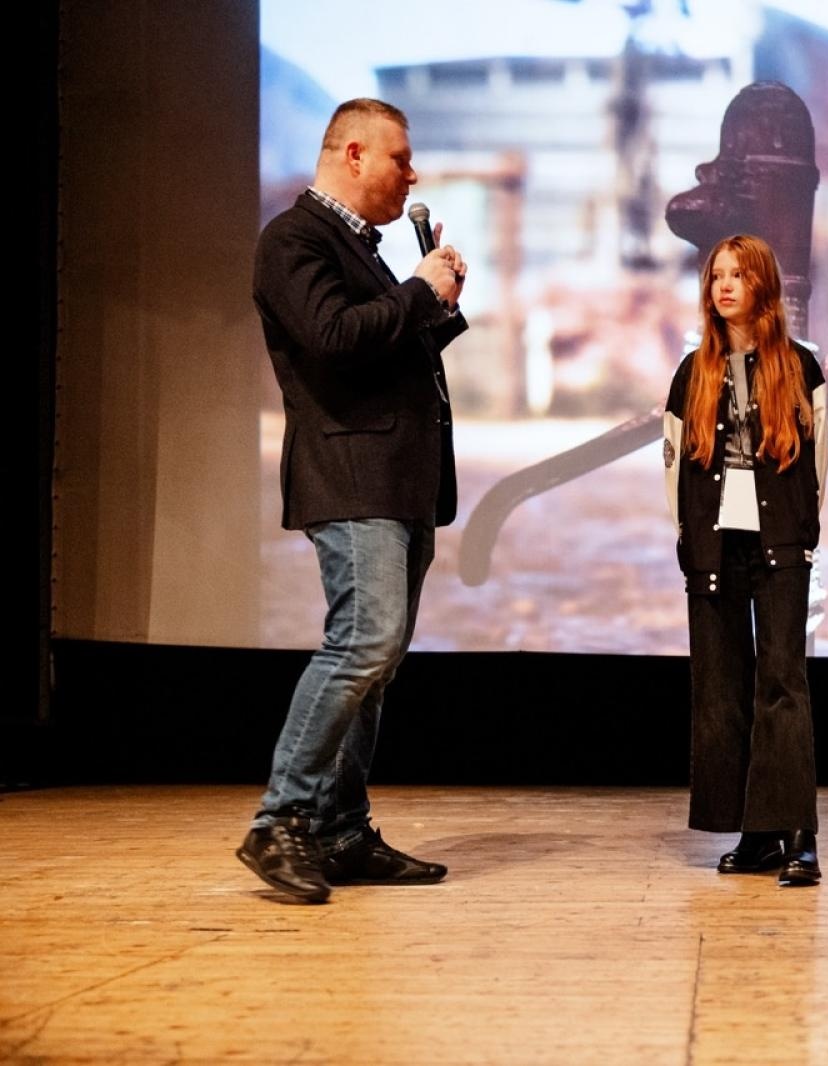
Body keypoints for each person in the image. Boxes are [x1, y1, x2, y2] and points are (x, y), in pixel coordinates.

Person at [236, 98, 469, 903]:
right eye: (402, 159)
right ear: (355, 154)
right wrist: (417, 290)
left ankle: (338, 830)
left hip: (399, 479)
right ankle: (280, 822)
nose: (413, 173)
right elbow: (334, 340)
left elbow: (383, 349)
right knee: (361, 646)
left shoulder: (360, 250)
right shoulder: (294, 239)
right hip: (353, 476)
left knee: (380, 660)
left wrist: (437, 304)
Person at [663, 234, 828, 887]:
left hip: (780, 540)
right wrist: (685, 539)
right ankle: (755, 833)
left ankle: (799, 833)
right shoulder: (692, 371)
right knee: (721, 685)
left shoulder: (800, 365)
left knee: (783, 681)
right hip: (712, 544)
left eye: (738, 275)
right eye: (716, 276)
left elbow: (818, 466)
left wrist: (807, 532)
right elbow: (674, 463)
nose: (724, 286)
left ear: (764, 284)